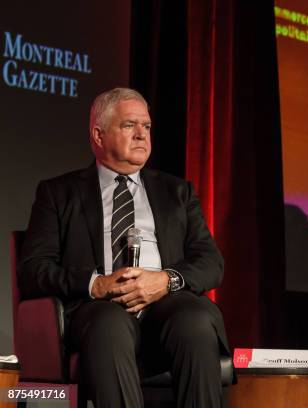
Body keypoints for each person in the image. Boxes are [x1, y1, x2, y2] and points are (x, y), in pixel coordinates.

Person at [18, 88, 228, 407]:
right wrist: (96, 284)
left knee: (195, 320)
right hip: (98, 309)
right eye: (130, 125)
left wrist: (166, 280)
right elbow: (33, 269)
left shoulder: (177, 192)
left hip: (167, 304)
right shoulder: (58, 194)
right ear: (99, 135)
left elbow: (211, 261)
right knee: (109, 324)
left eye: (147, 126)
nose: (142, 134)